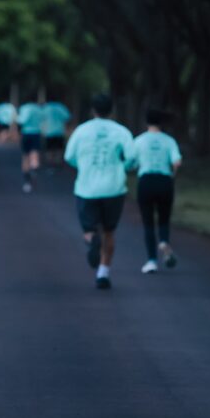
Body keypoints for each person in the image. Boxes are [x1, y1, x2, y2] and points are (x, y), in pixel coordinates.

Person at [64, 93, 135, 289]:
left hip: (87, 188)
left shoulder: (82, 131)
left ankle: (92, 240)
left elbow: (69, 156)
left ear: (93, 110)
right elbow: (131, 159)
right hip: (114, 188)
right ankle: (103, 272)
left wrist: (84, 165)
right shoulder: (121, 132)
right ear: (111, 110)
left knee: (89, 229)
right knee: (109, 231)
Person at [132, 109, 182, 274]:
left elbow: (131, 162)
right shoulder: (169, 141)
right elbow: (177, 162)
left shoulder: (139, 140)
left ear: (146, 122)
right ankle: (164, 241)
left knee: (147, 222)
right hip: (164, 181)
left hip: (145, 181)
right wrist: (172, 177)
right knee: (164, 218)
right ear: (161, 123)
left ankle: (152, 261)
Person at [16, 98, 45, 192]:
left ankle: (27, 179)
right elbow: (43, 120)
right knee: (35, 153)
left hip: (26, 133)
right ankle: (34, 167)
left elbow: (22, 120)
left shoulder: (25, 108)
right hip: (36, 133)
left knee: (25, 156)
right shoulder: (39, 109)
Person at [42, 100, 72, 169]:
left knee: (49, 150)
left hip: (49, 132)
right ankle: (58, 165)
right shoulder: (61, 107)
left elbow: (41, 118)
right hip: (59, 131)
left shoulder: (46, 108)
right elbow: (67, 117)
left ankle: (50, 165)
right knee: (59, 149)